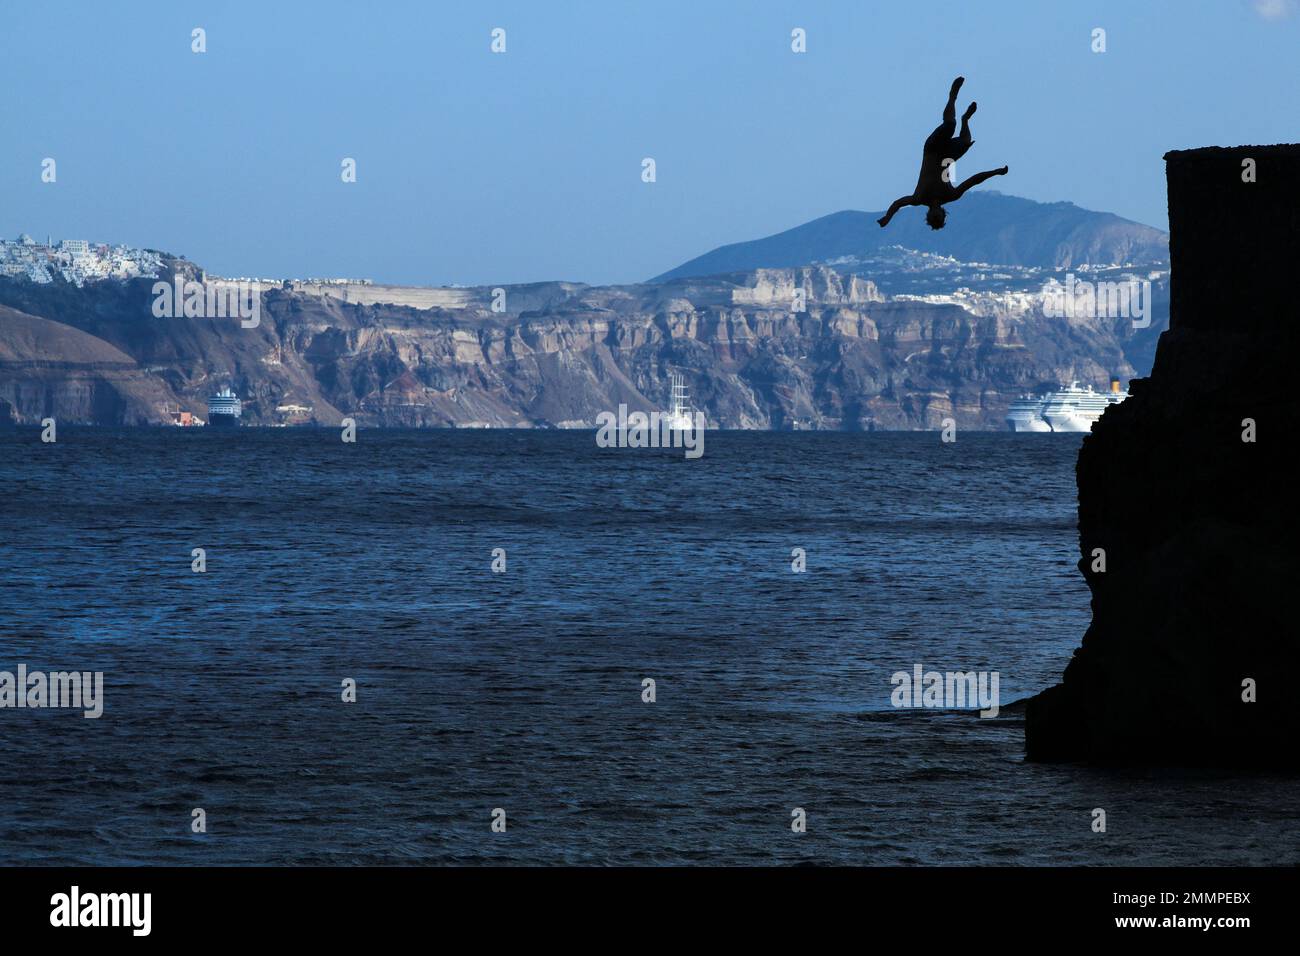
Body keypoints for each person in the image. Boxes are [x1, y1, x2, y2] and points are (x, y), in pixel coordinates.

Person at [877, 76, 1009, 230]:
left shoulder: (919, 198)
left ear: (928, 215)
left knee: (950, 125)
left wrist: (888, 217)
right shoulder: (951, 195)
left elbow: (898, 203)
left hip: (932, 149)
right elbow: (973, 180)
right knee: (966, 142)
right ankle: (965, 119)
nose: (935, 215)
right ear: (942, 213)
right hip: (947, 157)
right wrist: (996, 172)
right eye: (938, 217)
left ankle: (953, 96)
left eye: (933, 218)